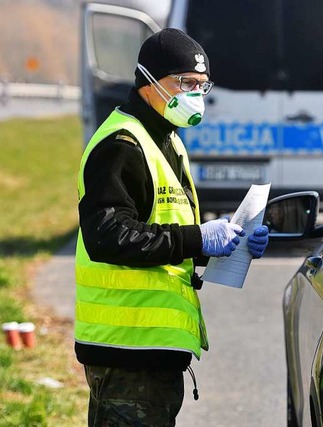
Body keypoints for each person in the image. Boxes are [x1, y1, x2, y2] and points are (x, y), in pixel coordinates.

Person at [74, 28, 269, 426]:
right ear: (148, 81)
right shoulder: (121, 145)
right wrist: (197, 237)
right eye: (185, 83)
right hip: (126, 347)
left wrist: (229, 242)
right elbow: (107, 237)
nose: (195, 95)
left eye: (201, 85)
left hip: (152, 348)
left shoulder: (167, 139)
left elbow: (164, 228)